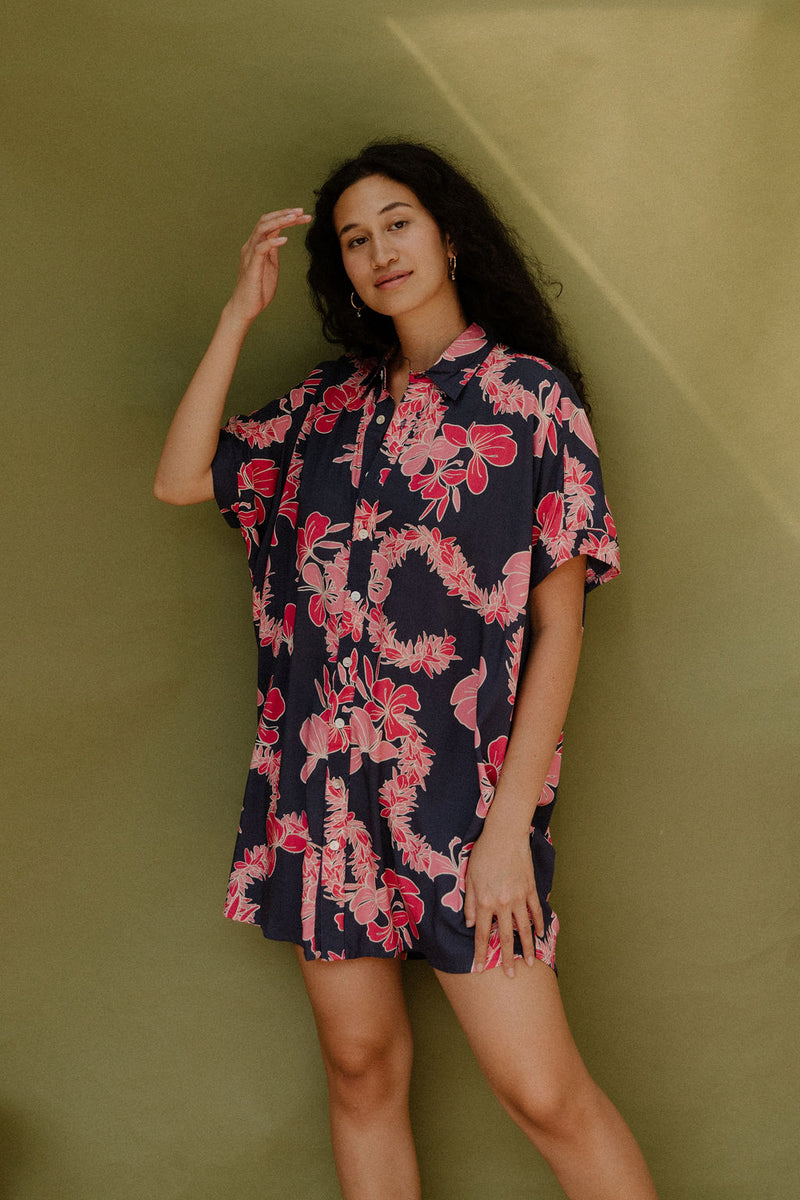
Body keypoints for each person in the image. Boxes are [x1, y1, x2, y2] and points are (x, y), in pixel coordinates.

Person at [154, 141, 657, 1200]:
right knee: (359, 1070)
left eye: (396, 222)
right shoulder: (323, 410)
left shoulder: (529, 400)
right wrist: (239, 313)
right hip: (322, 797)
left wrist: (509, 828)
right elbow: (183, 475)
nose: (379, 250)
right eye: (352, 239)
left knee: (540, 1093)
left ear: (444, 233)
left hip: (465, 802)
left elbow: (558, 624)